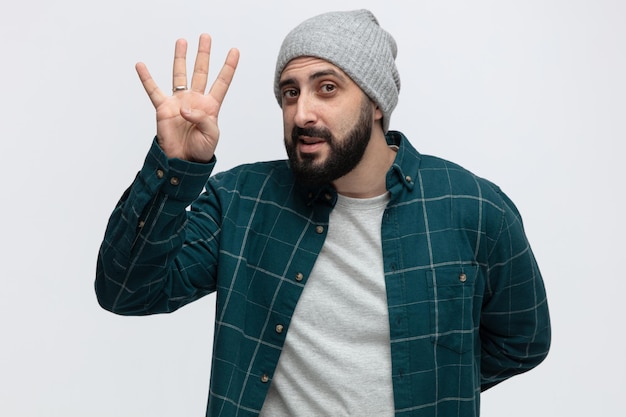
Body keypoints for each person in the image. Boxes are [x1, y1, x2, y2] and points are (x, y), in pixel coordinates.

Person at [96, 9, 551, 417]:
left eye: (327, 88)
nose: (301, 113)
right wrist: (176, 166)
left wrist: (427, 386)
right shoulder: (241, 200)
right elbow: (126, 291)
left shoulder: (473, 207)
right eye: (290, 93)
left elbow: (522, 341)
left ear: (375, 103)